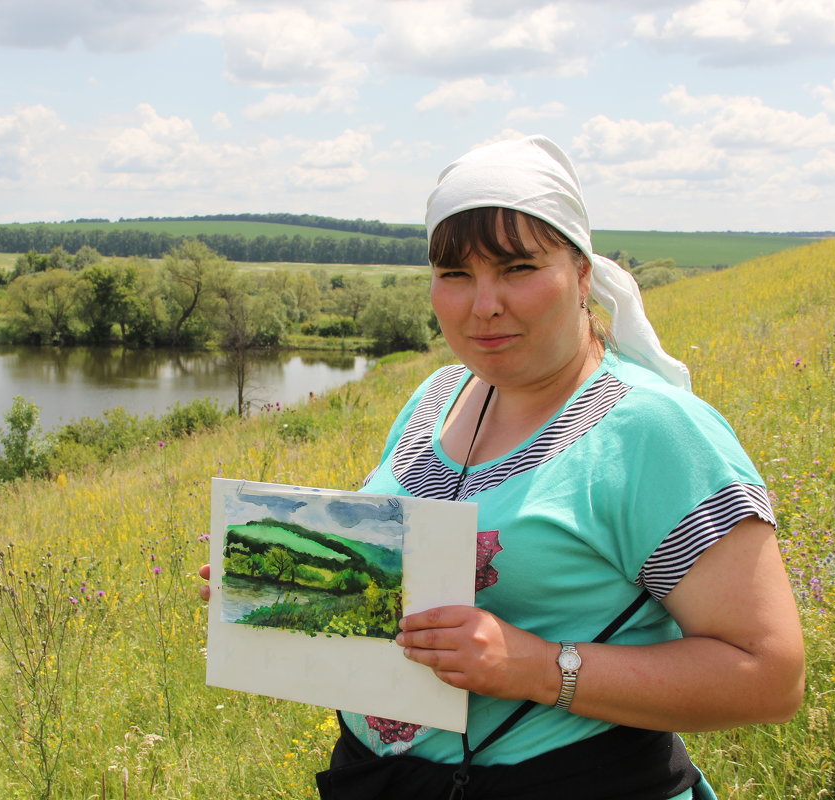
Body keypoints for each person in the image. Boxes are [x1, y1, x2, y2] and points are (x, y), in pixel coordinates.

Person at [201, 134, 804, 799]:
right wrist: (277, 596)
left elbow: (769, 676)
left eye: (517, 268)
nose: (483, 304)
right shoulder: (438, 396)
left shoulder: (650, 431)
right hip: (379, 781)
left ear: (581, 273)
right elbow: (396, 593)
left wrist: (536, 667)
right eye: (456, 275)